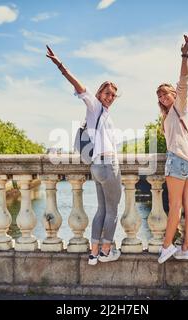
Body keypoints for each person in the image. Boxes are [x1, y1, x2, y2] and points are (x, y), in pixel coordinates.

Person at [46, 45, 122, 265]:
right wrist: (60, 65)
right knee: (113, 210)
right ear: (99, 94)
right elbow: (78, 86)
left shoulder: (102, 114)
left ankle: (94, 252)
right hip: (108, 166)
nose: (110, 97)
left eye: (113, 95)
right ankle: (106, 251)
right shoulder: (94, 106)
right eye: (107, 93)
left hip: (97, 166)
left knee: (102, 209)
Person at [156, 35, 188, 263]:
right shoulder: (177, 113)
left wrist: (184, 54)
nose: (163, 97)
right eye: (159, 95)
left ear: (174, 94)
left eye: (165, 93)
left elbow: (184, 80)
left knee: (174, 206)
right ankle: (186, 248)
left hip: (178, 160)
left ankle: (166, 246)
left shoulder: (180, 106)